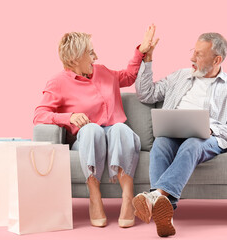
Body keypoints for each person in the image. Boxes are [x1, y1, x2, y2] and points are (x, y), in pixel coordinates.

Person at [33, 26, 156, 228]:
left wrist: (141, 50)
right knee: (91, 129)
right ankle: (94, 195)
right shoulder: (58, 82)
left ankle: (127, 196)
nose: (95, 56)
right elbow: (39, 114)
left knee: (120, 128)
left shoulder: (103, 72)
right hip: (88, 141)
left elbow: (128, 76)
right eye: (90, 52)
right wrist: (69, 117)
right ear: (74, 59)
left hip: (117, 137)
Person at [132, 26, 227, 237]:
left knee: (192, 143)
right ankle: (164, 213)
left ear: (217, 60)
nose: (192, 57)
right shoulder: (180, 76)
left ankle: (155, 196)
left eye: (199, 54)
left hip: (208, 138)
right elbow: (146, 94)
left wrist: (210, 129)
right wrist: (147, 58)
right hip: (173, 133)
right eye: (193, 51)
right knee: (160, 143)